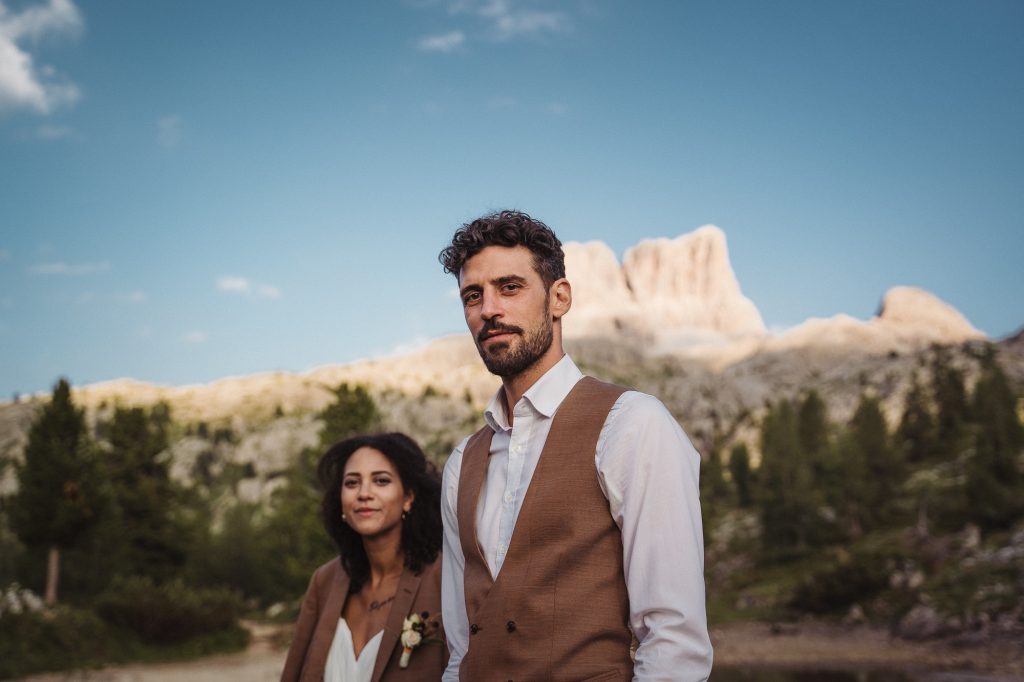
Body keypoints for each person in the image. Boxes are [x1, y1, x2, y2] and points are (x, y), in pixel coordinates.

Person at [437, 210, 713, 681]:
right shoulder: (462, 463)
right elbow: (462, 648)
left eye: (510, 287)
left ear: (559, 297)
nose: (489, 310)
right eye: (472, 295)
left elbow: (673, 638)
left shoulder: (632, 424)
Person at [281, 432, 447, 682]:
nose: (364, 493)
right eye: (351, 483)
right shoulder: (324, 581)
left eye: (381, 481)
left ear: (408, 498)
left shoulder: (444, 576)